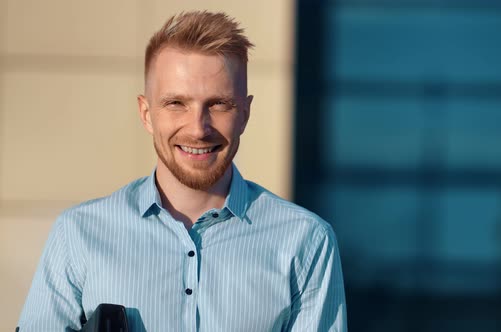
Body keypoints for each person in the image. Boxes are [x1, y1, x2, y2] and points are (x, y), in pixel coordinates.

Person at [17, 11, 347, 331]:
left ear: (244, 114)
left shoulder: (306, 242)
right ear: (146, 113)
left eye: (218, 104)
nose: (198, 128)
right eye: (177, 103)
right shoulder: (78, 236)